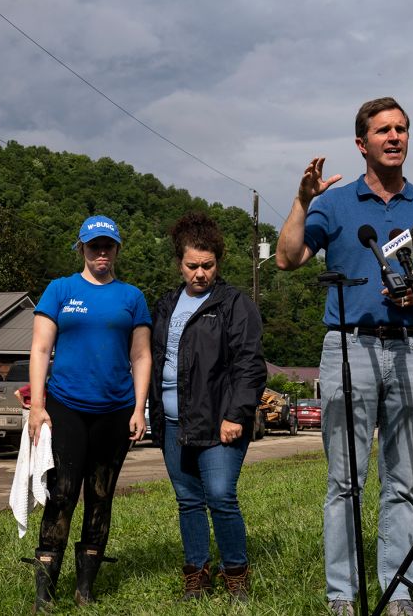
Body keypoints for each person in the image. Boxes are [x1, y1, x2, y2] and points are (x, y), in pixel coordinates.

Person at [275, 97, 413, 615]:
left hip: (411, 349)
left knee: (403, 482)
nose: (395, 137)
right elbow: (287, 258)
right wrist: (301, 201)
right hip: (348, 347)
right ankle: (343, 594)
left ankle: (399, 593)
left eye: (402, 129)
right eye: (383, 130)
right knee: (345, 483)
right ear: (362, 144)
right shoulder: (333, 205)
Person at [26, 214, 152, 611]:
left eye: (108, 246)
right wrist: (39, 406)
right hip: (65, 409)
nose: (101, 252)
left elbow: (142, 353)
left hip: (115, 411)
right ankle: (45, 593)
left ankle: (85, 591)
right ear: (81, 247)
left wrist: (139, 407)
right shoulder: (60, 290)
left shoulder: (132, 297)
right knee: (61, 495)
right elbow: (41, 350)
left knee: (100, 496)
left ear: (116, 250)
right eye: (94, 245)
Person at [148, 211, 266, 602]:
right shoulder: (165, 305)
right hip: (172, 422)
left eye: (208, 265)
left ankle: (236, 576)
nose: (200, 273)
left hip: (218, 422)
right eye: (192, 265)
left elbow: (250, 364)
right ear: (179, 264)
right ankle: (196, 576)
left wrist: (236, 414)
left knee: (220, 496)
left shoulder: (234, 304)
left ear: (218, 262)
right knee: (188, 501)